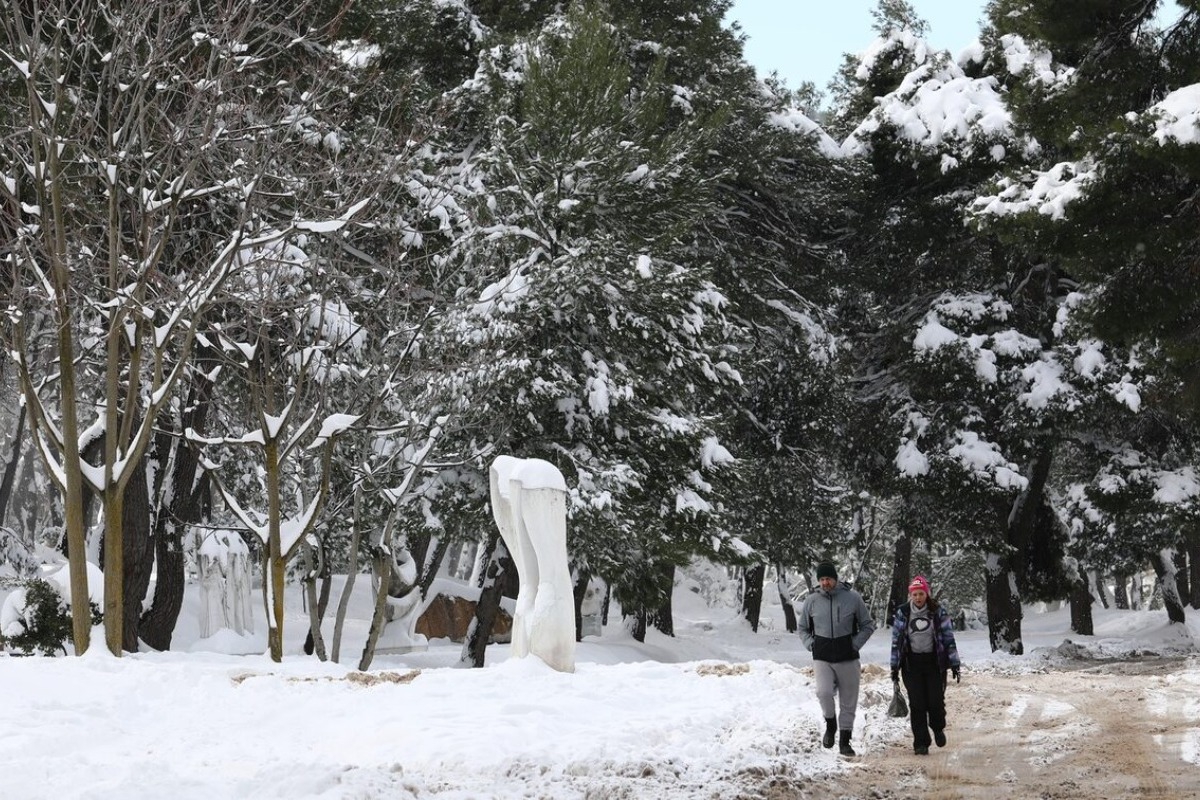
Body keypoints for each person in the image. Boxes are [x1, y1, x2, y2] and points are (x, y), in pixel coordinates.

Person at [799, 561, 876, 756]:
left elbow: (868, 625)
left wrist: (854, 644)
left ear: (835, 579)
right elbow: (803, 628)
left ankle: (845, 741)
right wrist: (811, 644)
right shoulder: (812, 601)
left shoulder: (852, 598)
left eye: (828, 579)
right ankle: (830, 723)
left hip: (847, 657)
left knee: (848, 701)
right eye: (822, 579)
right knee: (823, 692)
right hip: (822, 656)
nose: (825, 582)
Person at [889, 575, 962, 755]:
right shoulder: (903, 612)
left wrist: (954, 663)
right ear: (910, 596)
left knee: (935, 701)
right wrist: (894, 666)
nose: (918, 598)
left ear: (927, 594)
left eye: (921, 594)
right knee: (917, 703)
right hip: (911, 664)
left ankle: (937, 727)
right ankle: (921, 742)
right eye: (915, 595)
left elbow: (948, 638)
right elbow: (896, 641)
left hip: (934, 663)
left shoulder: (937, 612)